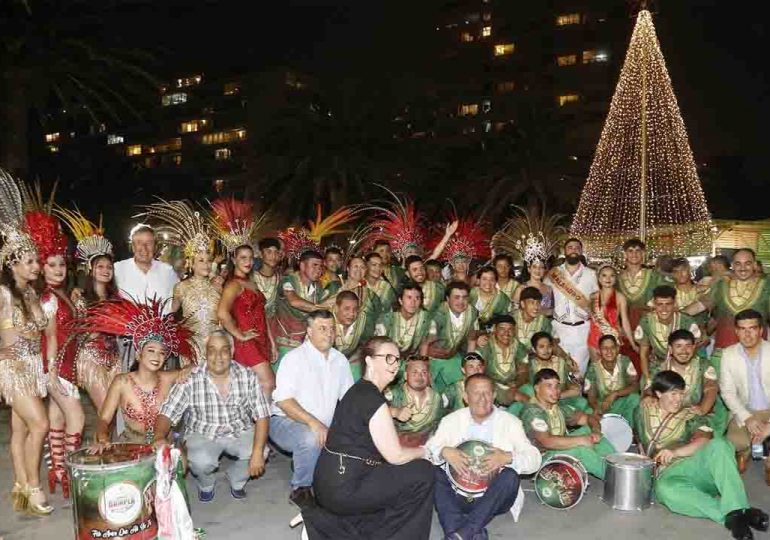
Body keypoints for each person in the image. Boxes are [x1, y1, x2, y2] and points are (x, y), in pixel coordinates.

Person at [304, 337, 434, 540]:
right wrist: (427, 451)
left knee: (399, 475)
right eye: (388, 358)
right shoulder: (372, 398)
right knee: (423, 472)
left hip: (328, 483)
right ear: (369, 361)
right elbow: (396, 456)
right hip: (342, 489)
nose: (395, 365)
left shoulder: (360, 390)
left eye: (397, 359)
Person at [637, 370, 768, 540]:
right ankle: (737, 515)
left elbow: (705, 441)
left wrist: (675, 452)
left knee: (720, 445)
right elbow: (640, 442)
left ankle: (737, 510)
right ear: (659, 393)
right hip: (667, 475)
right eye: (673, 394)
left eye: (681, 394)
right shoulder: (642, 412)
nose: (678, 399)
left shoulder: (691, 415)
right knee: (665, 491)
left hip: (697, 468)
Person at [155, 331, 270, 501]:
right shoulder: (191, 379)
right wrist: (158, 436)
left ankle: (236, 479)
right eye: (212, 350)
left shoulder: (247, 375)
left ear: (232, 352)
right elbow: (167, 412)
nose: (218, 356)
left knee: (260, 452)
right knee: (200, 461)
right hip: (203, 433)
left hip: (239, 430)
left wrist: (258, 452)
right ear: (206, 353)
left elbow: (262, 415)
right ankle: (206, 484)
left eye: (223, 350)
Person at [0, 176, 57, 516]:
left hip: (33, 367)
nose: (37, 266)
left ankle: (20, 485)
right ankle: (34, 487)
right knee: (40, 425)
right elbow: (9, 336)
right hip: (14, 369)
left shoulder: (33, 294)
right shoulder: (4, 294)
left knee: (20, 429)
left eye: (37, 261)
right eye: (31, 262)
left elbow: (37, 329)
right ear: (13, 264)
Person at [426, 374, 542, 539]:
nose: (482, 398)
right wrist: (444, 451)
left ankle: (462, 530)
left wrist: (507, 457)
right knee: (433, 472)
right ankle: (468, 531)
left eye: (487, 393)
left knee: (510, 476)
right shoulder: (451, 420)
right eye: (476, 393)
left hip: (493, 497)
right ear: (466, 397)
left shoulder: (510, 422)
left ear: (494, 395)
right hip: (456, 494)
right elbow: (428, 449)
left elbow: (534, 458)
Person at [85, 296, 196, 445]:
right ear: (139, 354)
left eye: (162, 353)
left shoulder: (168, 378)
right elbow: (104, 419)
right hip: (131, 444)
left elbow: (200, 370)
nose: (156, 356)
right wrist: (103, 438)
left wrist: (189, 368)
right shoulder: (122, 381)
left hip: (163, 444)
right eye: (151, 350)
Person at [270, 310, 354, 507]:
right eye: (322, 328)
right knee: (310, 437)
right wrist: (314, 423)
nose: (329, 333)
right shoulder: (294, 359)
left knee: (353, 433)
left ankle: (308, 461)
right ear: (308, 332)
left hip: (322, 423)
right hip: (285, 421)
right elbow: (284, 402)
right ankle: (301, 489)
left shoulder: (340, 359)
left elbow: (349, 399)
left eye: (332, 329)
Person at [141, 199, 224, 367]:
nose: (206, 264)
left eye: (208, 260)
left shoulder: (217, 285)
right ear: (191, 264)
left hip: (215, 344)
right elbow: (169, 310)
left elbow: (225, 314)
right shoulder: (181, 287)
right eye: (200, 260)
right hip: (191, 344)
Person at [36, 219, 84, 499]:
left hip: (61, 365)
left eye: (61, 265)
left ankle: (56, 470)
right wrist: (52, 373)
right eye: (51, 265)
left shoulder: (59, 294)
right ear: (42, 267)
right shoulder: (47, 298)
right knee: (76, 418)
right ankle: (68, 471)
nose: (57, 270)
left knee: (57, 417)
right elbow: (51, 336)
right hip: (56, 365)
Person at [56, 207, 119, 411]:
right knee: (104, 411)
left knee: (114, 414)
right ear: (91, 269)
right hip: (90, 358)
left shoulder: (116, 300)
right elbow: (74, 332)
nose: (105, 271)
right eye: (100, 267)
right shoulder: (80, 298)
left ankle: (106, 444)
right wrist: (93, 331)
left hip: (114, 358)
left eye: (109, 267)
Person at [685, 249, 770, 373]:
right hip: (723, 349)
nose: (743, 268)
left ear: (755, 265)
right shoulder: (721, 285)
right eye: (738, 264)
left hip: (757, 353)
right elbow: (700, 305)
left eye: (747, 263)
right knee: (722, 389)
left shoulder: (766, 286)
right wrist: (676, 314)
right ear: (732, 265)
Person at [521, 369, 614, 479]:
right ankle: (617, 479)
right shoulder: (532, 411)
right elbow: (546, 441)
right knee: (581, 450)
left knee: (592, 434)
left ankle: (617, 465)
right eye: (549, 386)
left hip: (557, 450)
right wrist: (581, 440)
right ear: (537, 388)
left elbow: (589, 418)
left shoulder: (557, 408)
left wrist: (595, 431)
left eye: (556, 386)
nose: (555, 391)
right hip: (541, 460)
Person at [217, 244, 273, 396]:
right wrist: (239, 334)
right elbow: (222, 313)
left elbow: (262, 314)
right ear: (234, 260)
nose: (248, 261)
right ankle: (263, 419)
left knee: (252, 387)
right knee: (268, 383)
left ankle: (254, 419)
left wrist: (271, 342)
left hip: (261, 339)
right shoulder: (233, 285)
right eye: (243, 258)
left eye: (250, 258)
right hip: (247, 343)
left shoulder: (252, 283)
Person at [720, 309, 770, 476]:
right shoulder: (728, 354)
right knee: (733, 445)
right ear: (736, 331)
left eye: (752, 328)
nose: (747, 334)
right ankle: (746, 452)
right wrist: (747, 417)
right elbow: (727, 392)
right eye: (742, 329)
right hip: (746, 411)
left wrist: (768, 427)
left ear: (761, 330)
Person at [546, 238, 598, 376]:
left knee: (578, 372)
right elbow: (544, 298)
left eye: (577, 247)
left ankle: (578, 396)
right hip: (559, 329)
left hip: (583, 329)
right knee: (558, 371)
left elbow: (598, 301)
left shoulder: (591, 274)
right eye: (570, 247)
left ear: (581, 251)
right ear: (565, 251)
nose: (573, 250)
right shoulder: (554, 274)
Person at [635, 285, 702, 381]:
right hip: (657, 367)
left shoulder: (686, 321)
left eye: (668, 304)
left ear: (674, 303)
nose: (664, 309)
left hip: (684, 366)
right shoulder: (646, 322)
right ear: (654, 304)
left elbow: (694, 348)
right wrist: (647, 379)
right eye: (660, 304)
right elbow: (643, 354)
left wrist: (682, 367)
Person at [426, 281, 480, 392]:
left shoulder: (472, 313)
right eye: (456, 297)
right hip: (431, 358)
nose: (461, 301)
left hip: (453, 356)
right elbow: (425, 343)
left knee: (462, 386)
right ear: (447, 299)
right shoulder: (436, 314)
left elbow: (472, 340)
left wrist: (469, 365)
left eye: (465, 297)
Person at [273, 250, 327, 360]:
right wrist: (321, 309)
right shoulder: (287, 281)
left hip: (305, 342)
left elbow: (325, 304)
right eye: (315, 265)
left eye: (320, 266)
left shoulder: (318, 287)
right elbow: (294, 301)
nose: (319, 270)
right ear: (302, 266)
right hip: (284, 341)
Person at [385, 355, 449, 446]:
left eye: (424, 372)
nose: (419, 376)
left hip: (424, 449)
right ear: (406, 375)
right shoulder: (393, 395)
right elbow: (371, 413)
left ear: (429, 376)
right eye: (414, 372)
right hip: (393, 448)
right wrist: (395, 412)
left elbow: (439, 428)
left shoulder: (437, 399)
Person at [114, 224, 179, 308]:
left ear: (155, 247)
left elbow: (179, 298)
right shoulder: (118, 269)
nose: (144, 248)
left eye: (149, 243)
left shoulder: (168, 271)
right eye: (139, 243)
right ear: (133, 246)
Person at [474, 315, 529, 413]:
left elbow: (523, 371)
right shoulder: (485, 345)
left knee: (529, 392)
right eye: (502, 329)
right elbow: (477, 372)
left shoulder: (519, 346)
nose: (506, 333)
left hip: (513, 386)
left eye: (510, 329)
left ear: (515, 331)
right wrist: (500, 389)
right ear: (495, 329)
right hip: (491, 385)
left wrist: (517, 383)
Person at [523, 332, 589, 412]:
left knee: (583, 402)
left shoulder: (562, 362)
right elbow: (527, 389)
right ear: (534, 349)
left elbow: (576, 389)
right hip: (538, 402)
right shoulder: (530, 365)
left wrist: (576, 373)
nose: (546, 350)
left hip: (561, 399)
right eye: (541, 347)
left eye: (549, 346)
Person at [584, 335, 640, 424]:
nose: (609, 351)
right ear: (599, 351)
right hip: (603, 407)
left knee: (635, 398)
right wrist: (597, 408)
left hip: (622, 403)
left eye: (612, 347)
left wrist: (615, 394)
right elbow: (591, 398)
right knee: (587, 412)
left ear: (617, 349)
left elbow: (636, 386)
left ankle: (628, 430)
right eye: (605, 348)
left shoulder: (624, 361)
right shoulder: (593, 369)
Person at [588, 264, 636, 362]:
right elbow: (591, 319)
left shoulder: (620, 297)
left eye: (612, 275)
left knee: (614, 371)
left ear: (615, 278)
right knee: (598, 371)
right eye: (604, 275)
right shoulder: (592, 297)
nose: (608, 278)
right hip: (594, 339)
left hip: (612, 339)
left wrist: (632, 343)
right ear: (599, 278)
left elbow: (625, 322)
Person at [375, 283, 432, 360]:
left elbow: (425, 344)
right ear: (400, 300)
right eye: (409, 297)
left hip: (412, 360)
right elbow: (378, 346)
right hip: (387, 359)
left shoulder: (425, 319)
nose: (413, 302)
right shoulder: (386, 319)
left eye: (417, 298)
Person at [333, 290, 375, 380]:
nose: (352, 314)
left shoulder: (363, 320)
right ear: (336, 308)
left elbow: (366, 344)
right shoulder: (326, 320)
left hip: (349, 361)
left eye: (355, 309)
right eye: (347, 309)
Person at [469, 266, 512, 330]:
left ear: (496, 281)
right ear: (478, 280)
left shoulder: (503, 299)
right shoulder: (471, 294)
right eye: (484, 279)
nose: (488, 283)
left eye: (492, 279)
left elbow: (505, 322)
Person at [252, 237, 282, 318]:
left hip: (274, 324)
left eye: (276, 252)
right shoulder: (251, 277)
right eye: (269, 252)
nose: (273, 256)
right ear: (261, 254)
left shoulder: (281, 278)